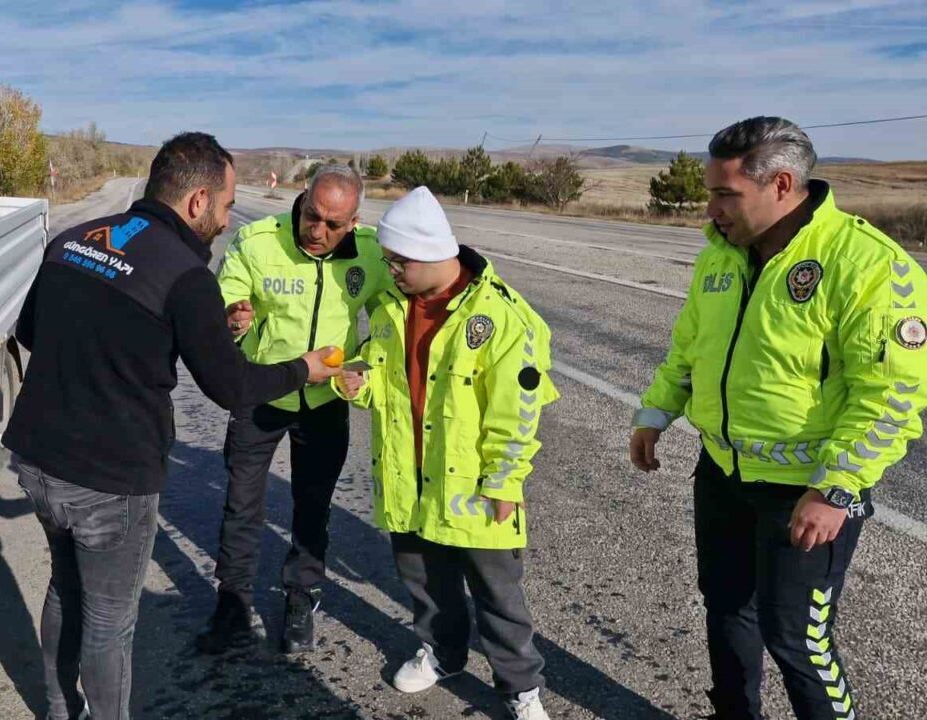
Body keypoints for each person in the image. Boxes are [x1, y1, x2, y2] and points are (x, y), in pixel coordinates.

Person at [2, 132, 342, 720]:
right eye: (227, 205)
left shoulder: (74, 239)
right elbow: (233, 387)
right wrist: (304, 368)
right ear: (197, 201)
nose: (228, 218)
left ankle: (61, 711)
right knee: (109, 623)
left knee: (65, 590)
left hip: (37, 460)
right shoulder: (185, 274)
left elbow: (31, 333)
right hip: (111, 476)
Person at [629, 116, 927, 720]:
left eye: (724, 194)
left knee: (795, 637)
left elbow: (891, 395)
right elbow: (690, 345)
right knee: (726, 605)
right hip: (722, 472)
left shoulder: (867, 265)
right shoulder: (720, 255)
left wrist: (834, 488)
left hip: (804, 489)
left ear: (782, 184)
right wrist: (656, 412)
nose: (709, 208)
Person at [338, 187, 557, 720]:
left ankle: (520, 688)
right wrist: (357, 382)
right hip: (408, 476)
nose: (389, 270)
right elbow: (386, 373)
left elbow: (519, 411)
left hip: (475, 487)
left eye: (397, 261)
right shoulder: (393, 306)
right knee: (426, 584)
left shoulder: (501, 316)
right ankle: (444, 654)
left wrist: (504, 480)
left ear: (431, 253)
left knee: (498, 598)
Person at [196, 164, 388, 654]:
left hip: (324, 403)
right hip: (260, 393)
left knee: (313, 506)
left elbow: (395, 316)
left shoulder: (370, 254)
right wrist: (232, 317)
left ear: (355, 221)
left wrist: (368, 361)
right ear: (301, 199)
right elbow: (226, 296)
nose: (317, 231)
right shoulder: (259, 241)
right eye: (311, 216)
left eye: (333, 224)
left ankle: (300, 596)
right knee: (242, 505)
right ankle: (232, 605)